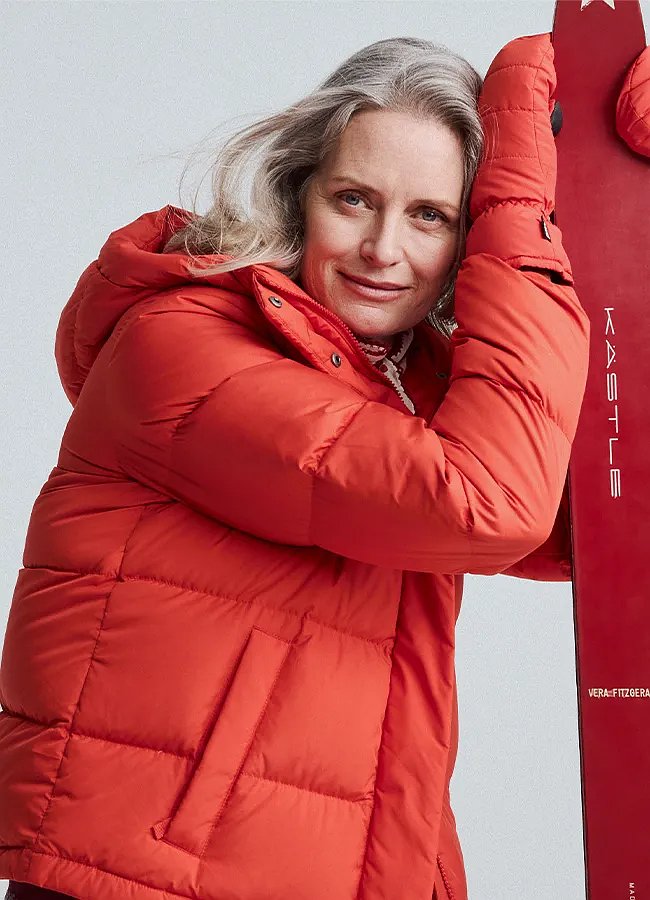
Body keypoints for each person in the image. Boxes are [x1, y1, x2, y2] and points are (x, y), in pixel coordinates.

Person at [0, 31, 592, 900]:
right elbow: (491, 501)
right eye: (355, 199)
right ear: (298, 194)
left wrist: (613, 194)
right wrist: (520, 187)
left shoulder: (405, 385)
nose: (384, 248)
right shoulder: (183, 350)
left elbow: (597, 522)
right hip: (145, 877)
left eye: (431, 215)